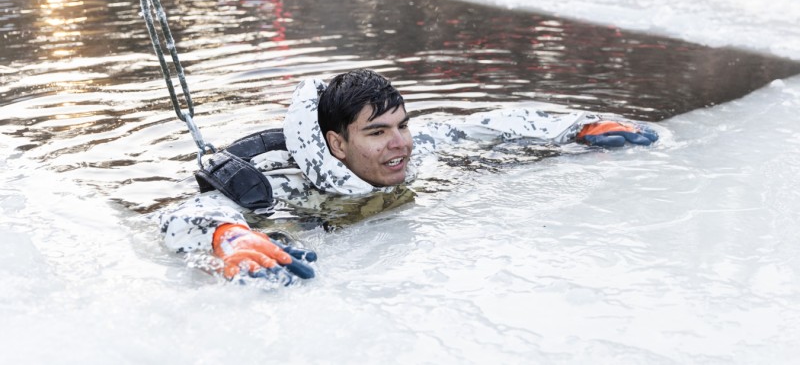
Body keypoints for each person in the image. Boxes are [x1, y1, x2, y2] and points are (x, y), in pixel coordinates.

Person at [158, 69, 658, 284]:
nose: (400, 143)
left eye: (402, 126)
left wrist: (578, 127)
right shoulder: (280, 183)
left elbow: (482, 125)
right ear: (338, 144)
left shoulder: (407, 153)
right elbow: (187, 211)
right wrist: (228, 237)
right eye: (377, 133)